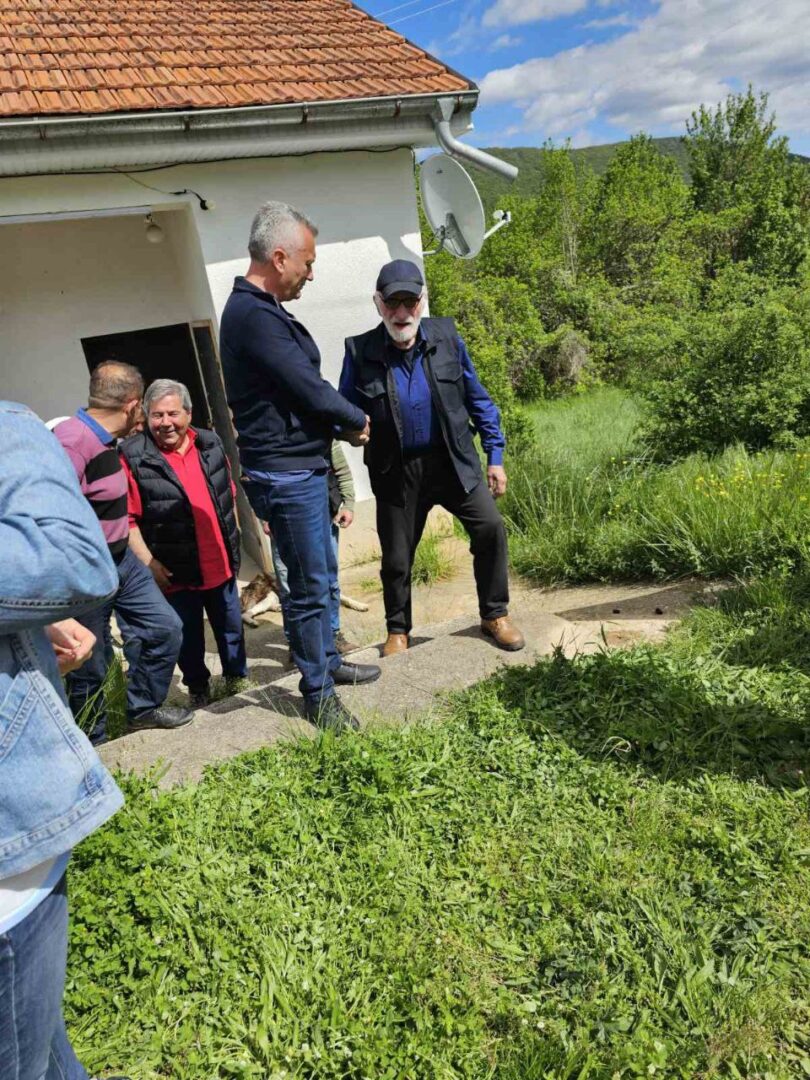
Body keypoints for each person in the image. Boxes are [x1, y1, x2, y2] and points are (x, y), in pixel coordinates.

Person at [0, 401, 130, 1080]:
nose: (166, 422)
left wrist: (25, 618)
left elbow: (77, 547)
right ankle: (113, 723)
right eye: (156, 412)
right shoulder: (66, 437)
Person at [219, 200, 380, 731]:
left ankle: (328, 664)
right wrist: (355, 419)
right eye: (308, 263)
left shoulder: (262, 312)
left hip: (300, 467)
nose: (312, 273)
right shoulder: (252, 315)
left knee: (321, 575)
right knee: (309, 588)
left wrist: (337, 425)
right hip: (287, 475)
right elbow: (305, 388)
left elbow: (294, 394)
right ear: (280, 256)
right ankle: (317, 693)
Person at [339, 259, 525, 657]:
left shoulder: (448, 337)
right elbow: (344, 411)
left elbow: (479, 400)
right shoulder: (359, 351)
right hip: (395, 470)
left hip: (453, 461)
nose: (401, 313)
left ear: (422, 301)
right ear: (378, 303)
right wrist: (351, 430)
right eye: (393, 303)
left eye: (410, 301)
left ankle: (495, 614)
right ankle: (398, 631)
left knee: (490, 529)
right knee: (397, 558)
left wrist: (495, 456)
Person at [52, 362, 192, 743]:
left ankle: (142, 708)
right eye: (145, 408)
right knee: (90, 666)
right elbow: (48, 516)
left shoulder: (104, 440)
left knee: (165, 629)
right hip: (86, 575)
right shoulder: (71, 443)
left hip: (123, 563)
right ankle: (94, 743)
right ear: (133, 406)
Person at [120, 379, 248, 709]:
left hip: (219, 561)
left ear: (188, 414)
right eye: (157, 415)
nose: (166, 423)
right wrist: (149, 563)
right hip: (173, 569)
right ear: (146, 416)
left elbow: (228, 493)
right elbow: (128, 519)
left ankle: (237, 679)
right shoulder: (133, 456)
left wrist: (234, 538)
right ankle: (198, 688)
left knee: (231, 627)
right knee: (187, 637)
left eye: (173, 413)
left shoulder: (210, 442)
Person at [270, 441, 360, 658]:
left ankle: (333, 634)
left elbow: (342, 472)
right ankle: (298, 644)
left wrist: (348, 504)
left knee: (329, 582)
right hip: (282, 523)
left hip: (324, 517)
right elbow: (252, 479)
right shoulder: (266, 437)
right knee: (289, 587)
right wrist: (265, 515)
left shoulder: (322, 432)